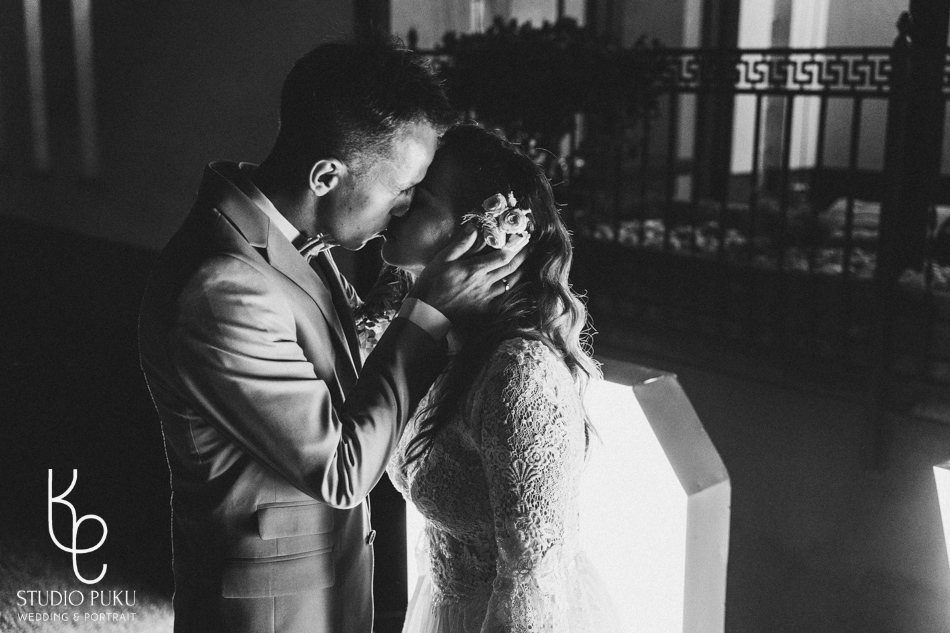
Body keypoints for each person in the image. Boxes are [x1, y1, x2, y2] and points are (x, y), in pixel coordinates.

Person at [137, 40, 528, 633]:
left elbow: (347, 369)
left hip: (331, 582)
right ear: (326, 176)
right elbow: (342, 470)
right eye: (403, 189)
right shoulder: (223, 289)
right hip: (272, 611)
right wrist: (428, 313)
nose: (405, 208)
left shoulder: (292, 237)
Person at [381, 124, 619, 632]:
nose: (396, 205)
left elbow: (531, 580)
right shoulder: (439, 342)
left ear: (484, 233)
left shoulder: (519, 371)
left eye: (418, 196)